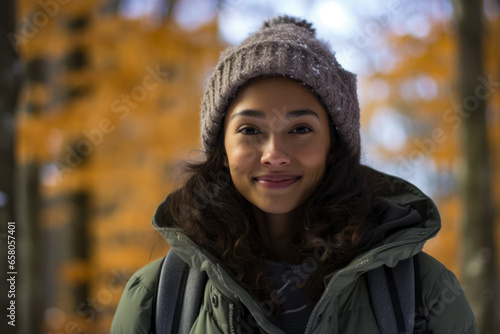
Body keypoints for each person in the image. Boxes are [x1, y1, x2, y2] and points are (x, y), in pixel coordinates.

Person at [111, 15, 477, 333]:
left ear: (334, 145)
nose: (274, 155)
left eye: (300, 129)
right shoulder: (158, 296)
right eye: (250, 130)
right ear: (221, 151)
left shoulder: (422, 291)